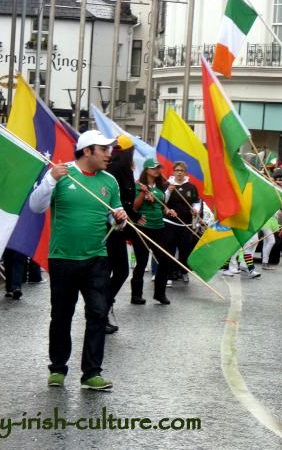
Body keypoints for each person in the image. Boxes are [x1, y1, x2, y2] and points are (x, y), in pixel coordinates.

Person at [29, 130, 127, 390]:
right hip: (62, 257)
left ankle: (91, 373)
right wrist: (50, 179)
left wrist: (119, 219)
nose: (109, 154)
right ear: (87, 151)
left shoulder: (110, 181)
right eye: (103, 149)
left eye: (110, 149)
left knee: (97, 313)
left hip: (97, 257)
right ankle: (58, 368)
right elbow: (35, 206)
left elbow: (114, 219)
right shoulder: (61, 174)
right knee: (61, 315)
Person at [130, 158, 176, 305]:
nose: (157, 170)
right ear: (147, 170)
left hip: (159, 227)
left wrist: (169, 210)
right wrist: (143, 193)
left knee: (164, 260)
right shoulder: (138, 185)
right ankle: (136, 295)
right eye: (154, 168)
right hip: (144, 228)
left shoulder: (160, 186)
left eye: (158, 168)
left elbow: (161, 205)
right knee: (142, 262)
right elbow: (135, 208)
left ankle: (160, 294)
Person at [105, 134, 139, 330]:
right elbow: (116, 202)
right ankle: (103, 307)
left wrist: (133, 214)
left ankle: (103, 306)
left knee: (115, 271)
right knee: (119, 271)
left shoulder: (125, 170)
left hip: (120, 227)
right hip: (110, 229)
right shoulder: (114, 171)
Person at [164, 161, 200, 283]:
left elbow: (196, 201)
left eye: (182, 171)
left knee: (185, 250)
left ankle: (183, 271)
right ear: (173, 172)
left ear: (185, 172)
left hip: (186, 223)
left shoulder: (191, 186)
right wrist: (168, 191)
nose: (179, 173)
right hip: (171, 223)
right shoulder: (168, 184)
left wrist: (195, 209)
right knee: (170, 250)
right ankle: (169, 275)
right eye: (177, 170)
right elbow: (163, 201)